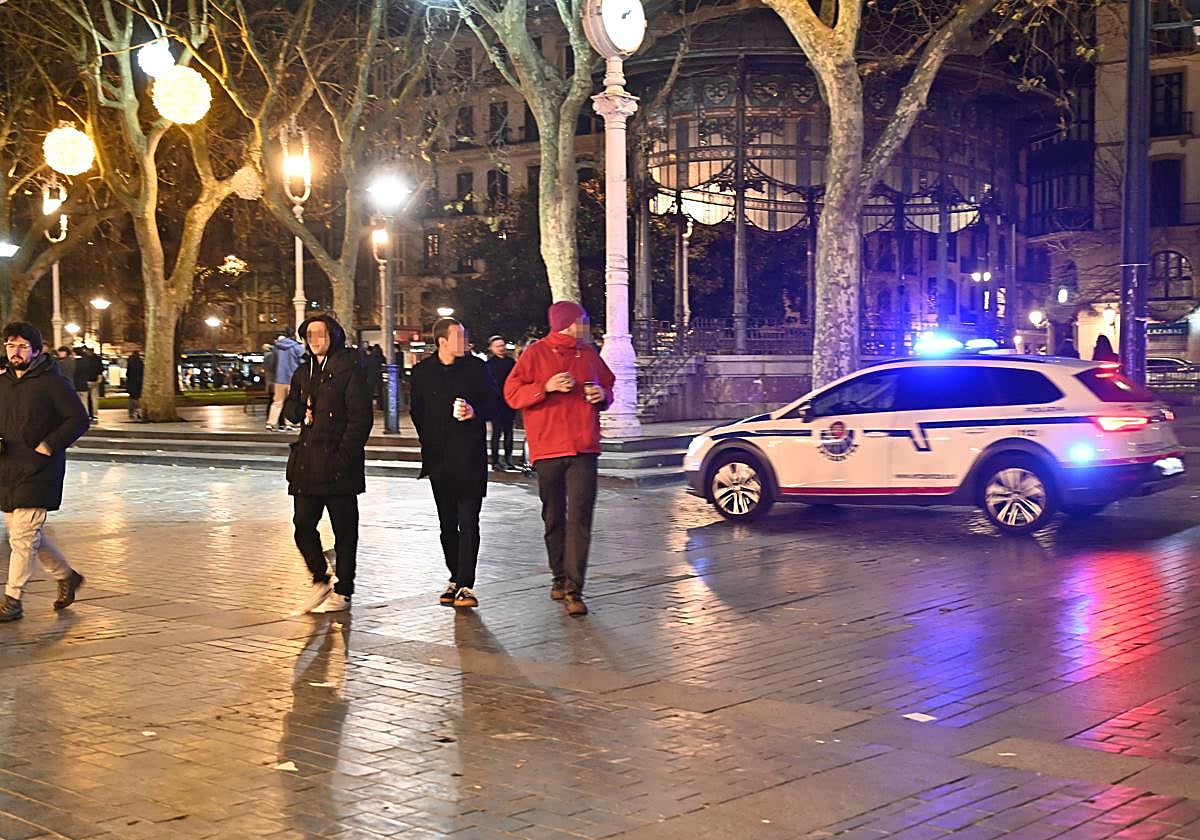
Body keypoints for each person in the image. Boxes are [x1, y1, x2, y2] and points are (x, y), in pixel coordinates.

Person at [503, 301, 614, 617]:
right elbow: (512, 394)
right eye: (584, 320)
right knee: (553, 516)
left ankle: (574, 589)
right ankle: (558, 576)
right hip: (549, 449)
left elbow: (608, 384)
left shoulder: (589, 354)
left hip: (583, 449)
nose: (587, 325)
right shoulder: (536, 353)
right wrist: (545, 387)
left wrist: (602, 396)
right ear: (570, 323)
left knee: (580, 517)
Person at [0, 322, 90, 622]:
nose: (16, 351)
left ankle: (13, 599)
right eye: (11, 345)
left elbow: (78, 419)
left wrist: (48, 446)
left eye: (23, 346)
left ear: (37, 350)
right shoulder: (3, 383)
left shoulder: (53, 382)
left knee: (23, 538)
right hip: (8, 468)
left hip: (41, 469)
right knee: (23, 534)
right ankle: (66, 576)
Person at [284, 314, 373, 614]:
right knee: (302, 525)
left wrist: (343, 457)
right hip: (308, 462)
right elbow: (290, 408)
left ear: (333, 336)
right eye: (310, 335)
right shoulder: (303, 372)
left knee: (345, 530)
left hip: (338, 464)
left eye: (320, 334)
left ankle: (344, 588)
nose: (315, 340)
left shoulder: (349, 369)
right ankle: (320, 576)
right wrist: (300, 409)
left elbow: (360, 420)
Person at [410, 318, 500, 610]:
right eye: (459, 337)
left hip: (469, 457)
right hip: (438, 459)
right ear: (442, 342)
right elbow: (417, 411)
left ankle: (466, 584)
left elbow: (496, 404)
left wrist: (475, 412)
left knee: (468, 520)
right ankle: (453, 576)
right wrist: (429, 440)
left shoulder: (476, 368)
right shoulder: (423, 372)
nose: (465, 342)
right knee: (447, 523)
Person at [484, 335, 517, 471]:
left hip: (509, 401)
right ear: (491, 348)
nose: (501, 348)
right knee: (497, 432)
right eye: (498, 346)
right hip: (496, 403)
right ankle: (496, 460)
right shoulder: (489, 365)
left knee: (509, 431)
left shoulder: (511, 363)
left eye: (502, 345)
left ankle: (508, 459)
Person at [267, 328, 305, 432]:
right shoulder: (297, 347)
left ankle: (271, 423)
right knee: (292, 401)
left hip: (279, 378)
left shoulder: (277, 348)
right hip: (293, 379)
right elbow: (303, 362)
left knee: (277, 402)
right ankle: (290, 423)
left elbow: (272, 363)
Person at [364, 344, 384, 412]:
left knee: (369, 392)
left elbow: (365, 367)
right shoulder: (381, 357)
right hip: (379, 376)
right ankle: (381, 406)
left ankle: (368, 406)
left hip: (370, 377)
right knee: (381, 392)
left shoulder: (369, 358)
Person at [125, 351, 144, 419]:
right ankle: (138, 412)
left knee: (131, 398)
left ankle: (131, 412)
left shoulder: (130, 362)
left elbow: (127, 373)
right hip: (138, 383)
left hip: (131, 383)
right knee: (137, 398)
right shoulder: (140, 363)